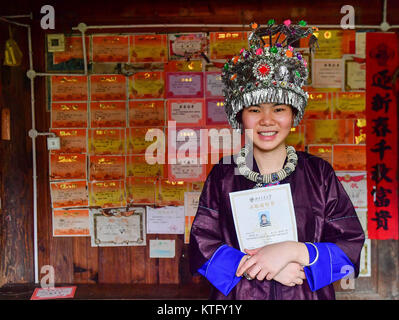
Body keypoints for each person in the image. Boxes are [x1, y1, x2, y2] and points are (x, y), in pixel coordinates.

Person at [189, 20, 365, 300]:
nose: (267, 121)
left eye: (279, 109)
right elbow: (202, 243)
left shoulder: (319, 174)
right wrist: (260, 268)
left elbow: (350, 243)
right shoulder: (223, 175)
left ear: (293, 115)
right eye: (255, 109)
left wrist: (294, 251)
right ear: (239, 116)